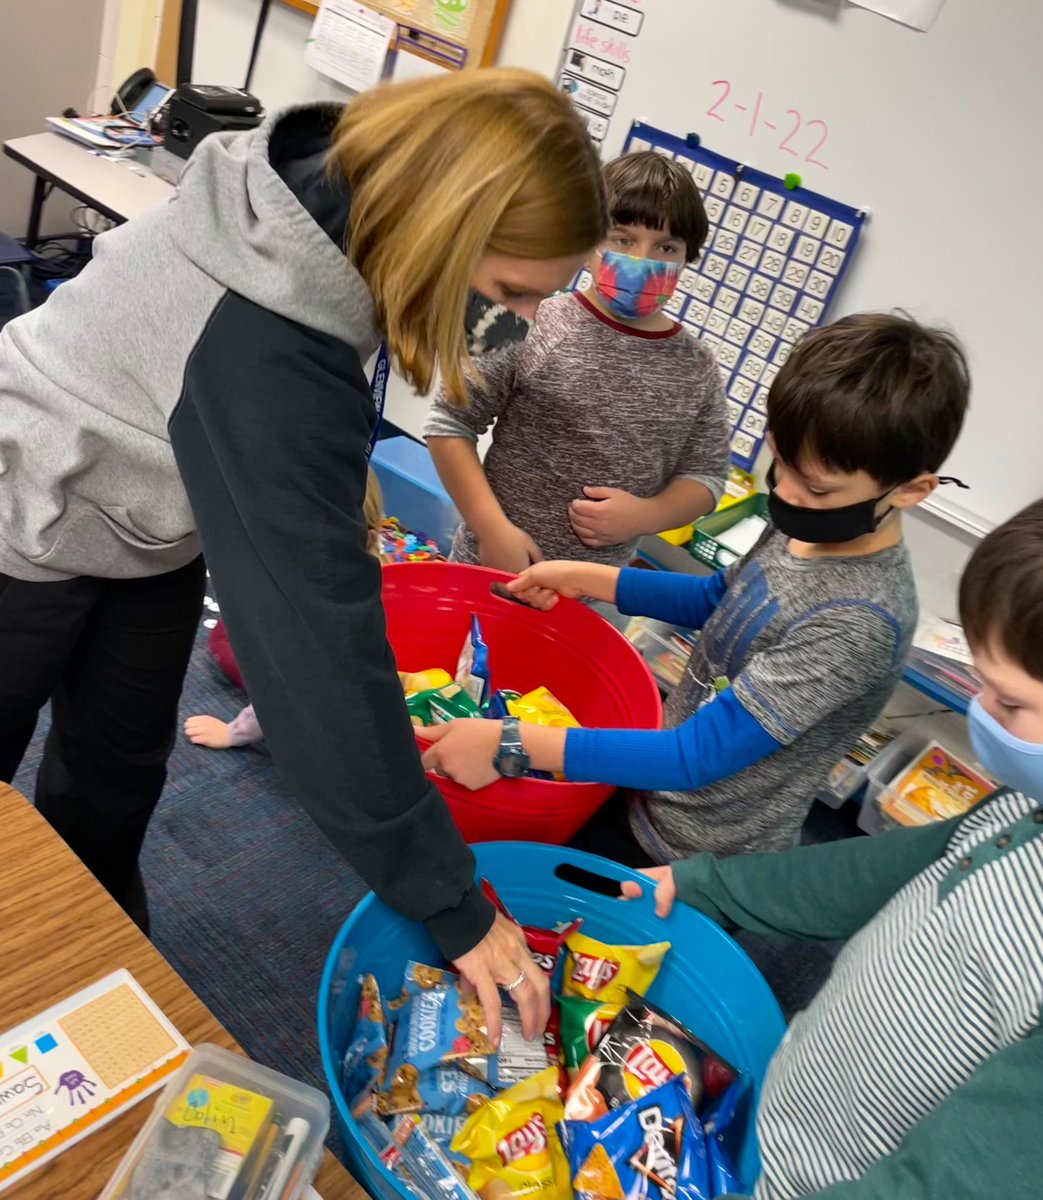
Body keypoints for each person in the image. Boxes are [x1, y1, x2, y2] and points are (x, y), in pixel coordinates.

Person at [0, 69, 608, 1041]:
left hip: (149, 518)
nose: (522, 325)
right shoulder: (269, 339)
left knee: (112, 778)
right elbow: (315, 655)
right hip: (25, 508)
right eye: (510, 294)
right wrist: (449, 900)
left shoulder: (341, 195)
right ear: (442, 230)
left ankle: (92, 970)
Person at [421, 313, 971, 863]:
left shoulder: (859, 621)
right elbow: (718, 597)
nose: (787, 492)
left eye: (817, 488)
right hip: (647, 785)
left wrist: (510, 745)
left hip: (696, 851)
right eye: (780, 464)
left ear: (911, 490)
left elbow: (697, 756)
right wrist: (586, 577)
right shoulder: (801, 523)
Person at [616, 496, 1043, 1199]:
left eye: (1010, 703)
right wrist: (711, 885)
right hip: (789, 1111)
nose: (979, 714)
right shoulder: (1023, 807)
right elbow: (880, 871)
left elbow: (952, 1182)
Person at [425, 150, 729, 577]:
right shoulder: (530, 319)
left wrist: (648, 515)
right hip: (493, 574)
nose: (643, 260)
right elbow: (448, 424)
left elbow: (708, 475)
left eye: (666, 247)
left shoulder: (697, 368)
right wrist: (491, 530)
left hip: (597, 598)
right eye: (622, 239)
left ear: (686, 257)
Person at [184, 469, 387, 751]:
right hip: (357, 692)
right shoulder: (375, 573)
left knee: (229, 641)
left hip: (329, 716)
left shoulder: (310, 611)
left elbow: (282, 690)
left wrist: (233, 734)